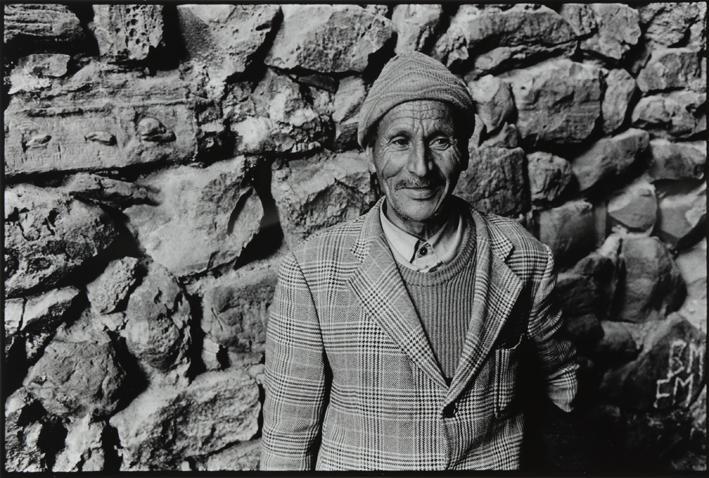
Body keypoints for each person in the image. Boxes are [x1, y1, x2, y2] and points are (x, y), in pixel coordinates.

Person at [260, 51, 579, 470]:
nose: (421, 167)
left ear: (464, 152)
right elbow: (288, 439)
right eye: (399, 141)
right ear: (372, 156)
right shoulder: (312, 271)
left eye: (440, 141)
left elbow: (561, 381)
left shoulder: (524, 258)